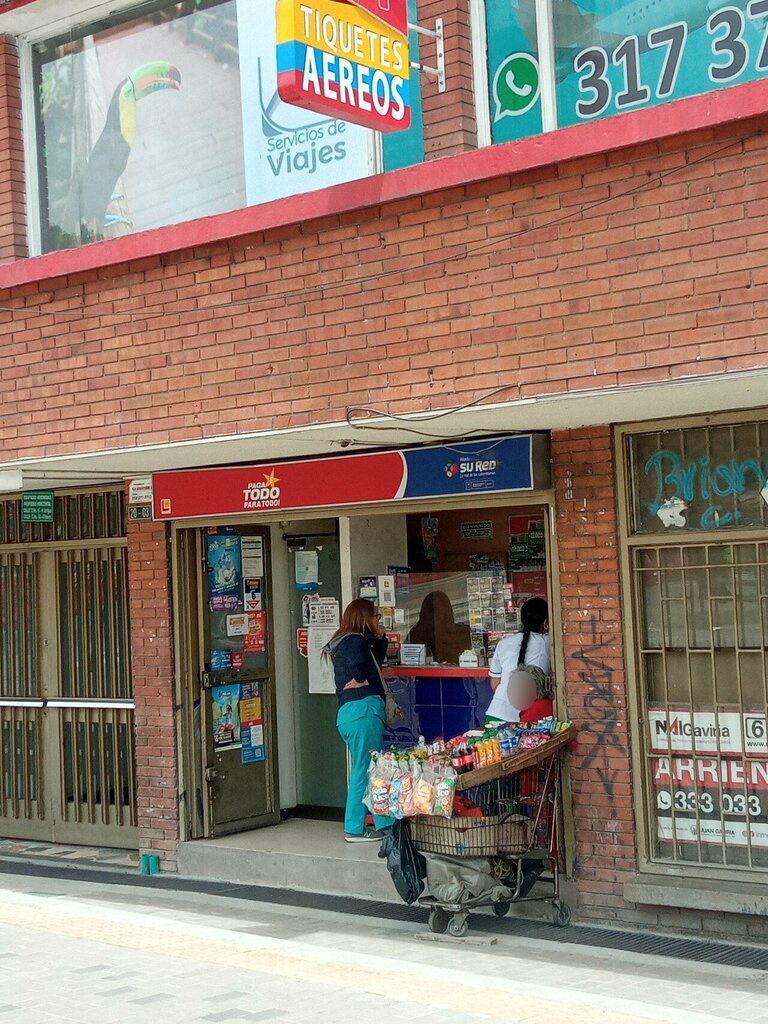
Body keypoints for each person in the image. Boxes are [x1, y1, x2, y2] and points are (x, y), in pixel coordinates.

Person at [324, 598, 391, 842]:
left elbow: (375, 662)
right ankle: (354, 827)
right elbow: (359, 666)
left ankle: (384, 822)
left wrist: (381, 638)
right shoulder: (356, 642)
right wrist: (362, 679)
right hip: (363, 712)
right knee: (364, 770)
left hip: (351, 715)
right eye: (375, 616)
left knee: (372, 769)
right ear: (365, 617)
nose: (377, 620)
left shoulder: (347, 640)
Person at [486, 597, 551, 723]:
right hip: (530, 717)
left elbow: (495, 684)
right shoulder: (548, 643)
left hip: (497, 713)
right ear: (546, 622)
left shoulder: (503, 643)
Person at [408, 590, 471, 663]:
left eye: (438, 609)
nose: (435, 614)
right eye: (432, 610)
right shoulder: (416, 633)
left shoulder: (463, 633)